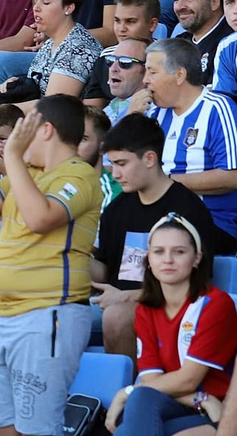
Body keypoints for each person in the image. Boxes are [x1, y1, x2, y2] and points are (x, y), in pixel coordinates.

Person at [0, 95, 100, 436]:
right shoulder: (27, 173)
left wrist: (15, 159)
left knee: (38, 429)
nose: (15, 140)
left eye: (23, 131)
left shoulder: (80, 176)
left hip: (49, 314)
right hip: (3, 314)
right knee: (1, 427)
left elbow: (39, 217)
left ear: (45, 130)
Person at [92, 113, 222, 356]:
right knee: (48, 316)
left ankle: (132, 391)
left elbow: (195, 284)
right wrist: (72, 256)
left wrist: (125, 297)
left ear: (150, 158)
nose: (115, 174)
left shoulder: (187, 208)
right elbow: (107, 267)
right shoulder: (117, 209)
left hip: (167, 305)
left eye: (122, 164)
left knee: (116, 317)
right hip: (113, 301)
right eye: (112, 164)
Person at [104, 216, 237, 436]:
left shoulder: (215, 304)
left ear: (196, 258)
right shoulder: (145, 309)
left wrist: (126, 392)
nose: (167, 259)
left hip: (226, 411)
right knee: (141, 400)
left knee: (128, 425)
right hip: (191, 403)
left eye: (179, 252)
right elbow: (151, 381)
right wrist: (201, 399)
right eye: (158, 251)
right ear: (148, 259)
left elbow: (188, 379)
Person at [142, 38, 237, 253]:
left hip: (211, 221)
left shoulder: (218, 109)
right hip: (160, 216)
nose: (145, 80)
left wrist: (166, 183)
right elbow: (126, 165)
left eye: (152, 72)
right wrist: (132, 116)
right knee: (113, 229)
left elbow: (234, 177)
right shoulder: (154, 113)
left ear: (179, 75)